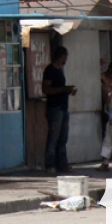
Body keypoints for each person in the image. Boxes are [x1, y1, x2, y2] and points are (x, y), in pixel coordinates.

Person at [42, 46, 77, 174]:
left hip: (63, 107)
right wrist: (64, 89)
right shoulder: (50, 70)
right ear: (61, 56)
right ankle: (50, 164)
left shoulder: (60, 70)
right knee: (53, 138)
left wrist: (68, 91)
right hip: (54, 108)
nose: (66, 59)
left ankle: (62, 164)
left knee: (63, 139)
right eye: (65, 56)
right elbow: (46, 90)